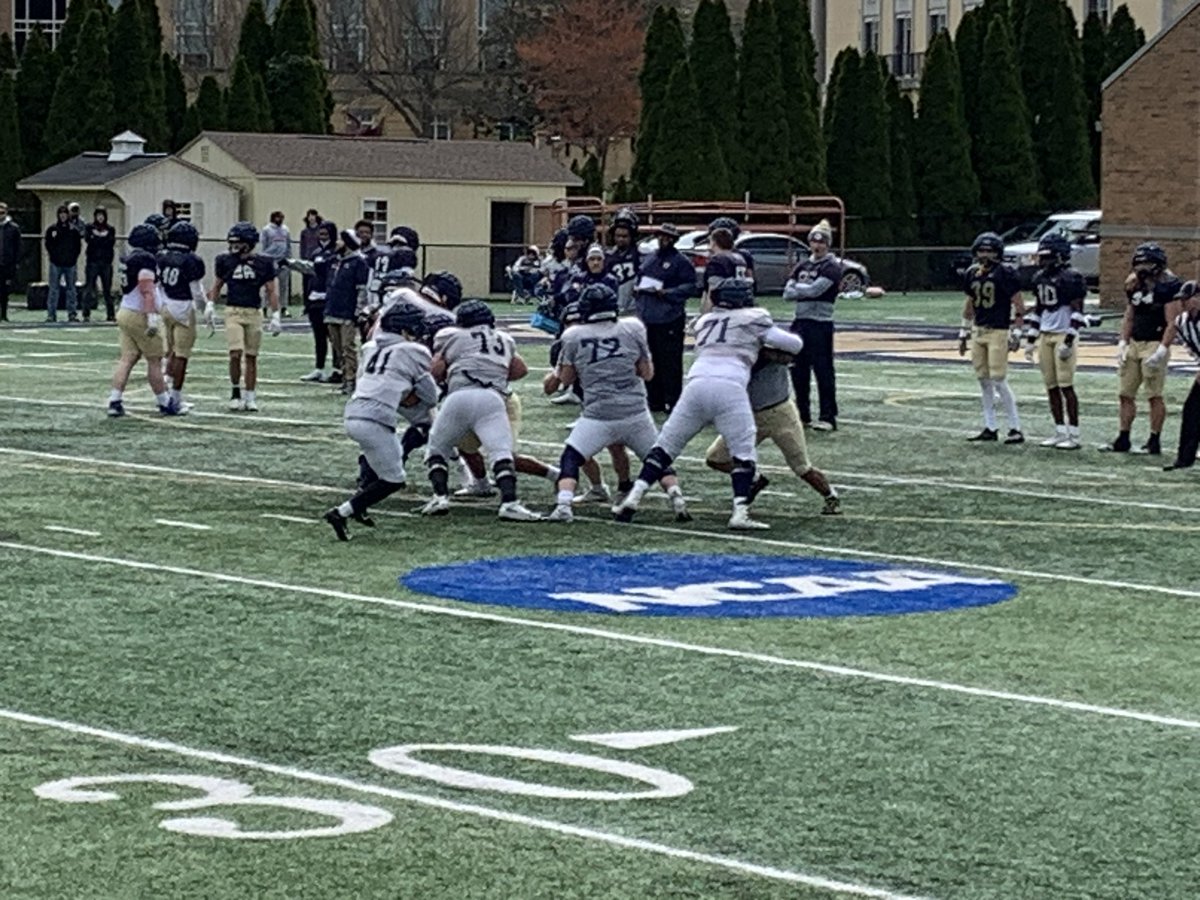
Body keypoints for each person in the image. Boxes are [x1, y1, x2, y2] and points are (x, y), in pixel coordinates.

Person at [615, 277, 802, 530]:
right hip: (730, 385)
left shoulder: (704, 321)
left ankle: (634, 498)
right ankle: (740, 513)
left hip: (696, 383)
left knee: (665, 446)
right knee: (743, 452)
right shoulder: (755, 317)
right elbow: (795, 344)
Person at [546, 283, 688, 523]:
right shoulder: (632, 327)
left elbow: (566, 380)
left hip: (599, 415)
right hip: (635, 413)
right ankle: (677, 499)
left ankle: (563, 505)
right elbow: (647, 373)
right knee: (656, 458)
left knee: (571, 457)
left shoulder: (573, 335)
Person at [323, 302, 439, 541]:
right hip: (375, 417)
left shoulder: (371, 347)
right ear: (405, 329)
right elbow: (431, 395)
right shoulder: (414, 351)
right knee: (394, 479)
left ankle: (359, 505)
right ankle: (342, 512)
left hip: (354, 411)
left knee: (386, 457)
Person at [420, 299, 543, 521]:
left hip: (458, 397)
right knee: (500, 453)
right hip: (492, 398)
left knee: (437, 449)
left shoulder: (450, 336)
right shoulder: (505, 339)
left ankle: (439, 498)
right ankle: (509, 503)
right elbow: (518, 370)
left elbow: (436, 371)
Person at [1102, 242, 1183, 455]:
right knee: (1125, 393)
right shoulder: (1134, 284)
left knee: (1153, 395)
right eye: (1139, 263)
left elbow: (1172, 322)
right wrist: (1122, 342)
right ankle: (1123, 437)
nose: (1141, 268)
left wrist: (1163, 349)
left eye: (1146, 263)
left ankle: (1154, 440)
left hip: (1155, 342)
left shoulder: (1169, 286)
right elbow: (1130, 316)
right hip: (1135, 342)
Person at [957, 231, 1025, 444]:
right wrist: (963, 331)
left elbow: (1019, 304)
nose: (985, 254)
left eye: (989, 250)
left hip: (998, 330)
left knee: (999, 379)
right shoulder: (972, 273)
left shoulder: (1005, 273)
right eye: (982, 250)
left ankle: (1015, 428)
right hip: (979, 329)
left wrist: (1017, 331)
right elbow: (969, 304)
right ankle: (990, 425)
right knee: (983, 380)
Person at [1021, 233, 1088, 449]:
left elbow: (1078, 313)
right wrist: (1031, 338)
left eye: (1048, 257)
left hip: (1062, 334)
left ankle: (1075, 435)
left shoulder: (1071, 277)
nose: (1044, 261)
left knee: (1066, 386)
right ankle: (1059, 431)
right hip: (1045, 335)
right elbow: (1039, 310)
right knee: (1051, 387)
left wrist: (1069, 341)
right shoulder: (1040, 278)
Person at [105, 224, 180, 418]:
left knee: (127, 358)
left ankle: (114, 400)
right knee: (154, 360)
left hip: (124, 310)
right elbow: (146, 289)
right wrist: (152, 317)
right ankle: (164, 402)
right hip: (139, 313)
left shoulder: (129, 258)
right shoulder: (145, 259)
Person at [209, 221, 280, 412]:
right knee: (235, 353)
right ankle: (235, 392)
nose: (233, 246)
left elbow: (271, 290)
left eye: (238, 242)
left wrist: (276, 314)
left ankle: (250, 395)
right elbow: (217, 285)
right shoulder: (225, 261)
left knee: (251, 356)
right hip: (233, 311)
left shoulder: (263, 262)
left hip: (254, 312)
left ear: (248, 243)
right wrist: (210, 304)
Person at [783, 219, 842, 431]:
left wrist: (800, 290)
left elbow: (815, 290)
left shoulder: (832, 267)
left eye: (822, 242)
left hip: (820, 324)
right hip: (800, 322)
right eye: (814, 242)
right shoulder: (803, 265)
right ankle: (803, 414)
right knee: (798, 370)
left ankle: (828, 416)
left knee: (823, 370)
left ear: (828, 244)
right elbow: (786, 293)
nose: (817, 246)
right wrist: (802, 290)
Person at [634, 222, 698, 413]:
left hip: (669, 318)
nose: (663, 240)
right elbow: (640, 278)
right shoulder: (650, 258)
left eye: (667, 237)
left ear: (673, 240)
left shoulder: (681, 262)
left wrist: (668, 292)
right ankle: (654, 400)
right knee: (649, 359)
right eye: (661, 236)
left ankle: (673, 400)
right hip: (648, 317)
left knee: (670, 361)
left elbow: (690, 287)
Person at [158, 220, 210, 411]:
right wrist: (206, 310)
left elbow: (158, 285)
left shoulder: (162, 256)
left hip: (165, 306)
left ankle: (165, 395)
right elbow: (196, 290)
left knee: (171, 351)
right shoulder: (191, 260)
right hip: (182, 308)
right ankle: (175, 399)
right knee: (181, 356)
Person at [322, 228, 372, 395]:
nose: (337, 243)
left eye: (341, 240)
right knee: (337, 348)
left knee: (347, 347)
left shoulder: (358, 262)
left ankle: (351, 380)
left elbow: (362, 289)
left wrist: (358, 311)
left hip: (347, 312)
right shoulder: (335, 261)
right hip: (332, 309)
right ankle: (344, 378)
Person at [289, 220, 338, 382]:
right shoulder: (316, 252)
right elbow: (309, 275)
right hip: (315, 299)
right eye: (320, 233)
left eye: (325, 234)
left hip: (329, 300)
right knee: (319, 337)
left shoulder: (336, 253)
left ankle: (338, 369)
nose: (322, 237)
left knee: (334, 337)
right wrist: (307, 300)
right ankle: (319, 368)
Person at [1161, 281, 1200, 471]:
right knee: (1191, 411)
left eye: (1187, 299)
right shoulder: (1181, 322)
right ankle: (1185, 458)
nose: (1183, 303)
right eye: (1181, 299)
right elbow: (1193, 349)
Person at [44, 205, 82, 323]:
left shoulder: (73, 230)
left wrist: (73, 258)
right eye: (61, 213)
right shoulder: (52, 229)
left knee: (71, 289)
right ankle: (51, 314)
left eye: (65, 213)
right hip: (55, 263)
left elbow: (78, 247)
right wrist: (54, 256)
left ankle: (72, 314)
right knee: (54, 289)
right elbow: (48, 244)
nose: (63, 215)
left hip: (70, 264)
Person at [82, 207, 116, 323]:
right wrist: (99, 237)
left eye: (102, 215)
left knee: (107, 290)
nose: (100, 217)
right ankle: (86, 314)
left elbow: (110, 243)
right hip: (92, 262)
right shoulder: (89, 227)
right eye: (98, 215)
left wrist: (97, 237)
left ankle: (111, 314)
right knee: (89, 288)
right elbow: (89, 240)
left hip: (106, 263)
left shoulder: (110, 229)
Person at [606, 207, 641, 314]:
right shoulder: (607, 256)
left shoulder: (641, 254)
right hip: (614, 307)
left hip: (635, 308)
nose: (620, 239)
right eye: (618, 236)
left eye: (625, 236)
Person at [260, 211, 292, 316]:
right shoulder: (267, 230)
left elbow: (288, 245)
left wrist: (288, 259)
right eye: (278, 218)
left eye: (282, 218)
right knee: (268, 286)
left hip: (282, 260)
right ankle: (264, 307)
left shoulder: (285, 229)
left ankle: (284, 307)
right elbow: (264, 246)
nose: (280, 220)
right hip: (270, 260)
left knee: (284, 286)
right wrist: (265, 259)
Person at [0, 201, 21, 323]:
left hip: (6, 264)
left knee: (4, 291)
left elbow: (18, 247)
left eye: (2, 212)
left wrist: (15, 263)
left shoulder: (13, 228)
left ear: (6, 212)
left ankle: (3, 314)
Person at [298, 209, 324, 300]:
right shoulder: (304, 232)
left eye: (313, 215)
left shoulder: (320, 230)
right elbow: (302, 246)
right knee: (306, 283)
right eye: (309, 216)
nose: (311, 218)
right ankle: (306, 304)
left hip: (318, 259)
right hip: (307, 259)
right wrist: (302, 258)